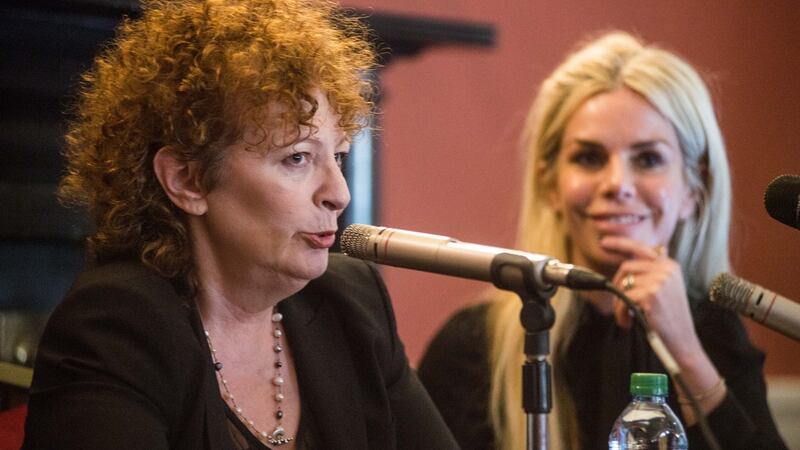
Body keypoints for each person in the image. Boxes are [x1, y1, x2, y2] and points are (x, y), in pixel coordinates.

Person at [22, 0, 459, 449]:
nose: (339, 193)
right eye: (297, 158)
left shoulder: (352, 305)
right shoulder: (118, 327)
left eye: (340, 157)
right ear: (188, 180)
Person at [418, 31, 787, 450]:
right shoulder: (473, 346)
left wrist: (686, 352)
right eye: (589, 158)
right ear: (550, 183)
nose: (617, 184)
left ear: (692, 190)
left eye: (647, 159)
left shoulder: (714, 331)